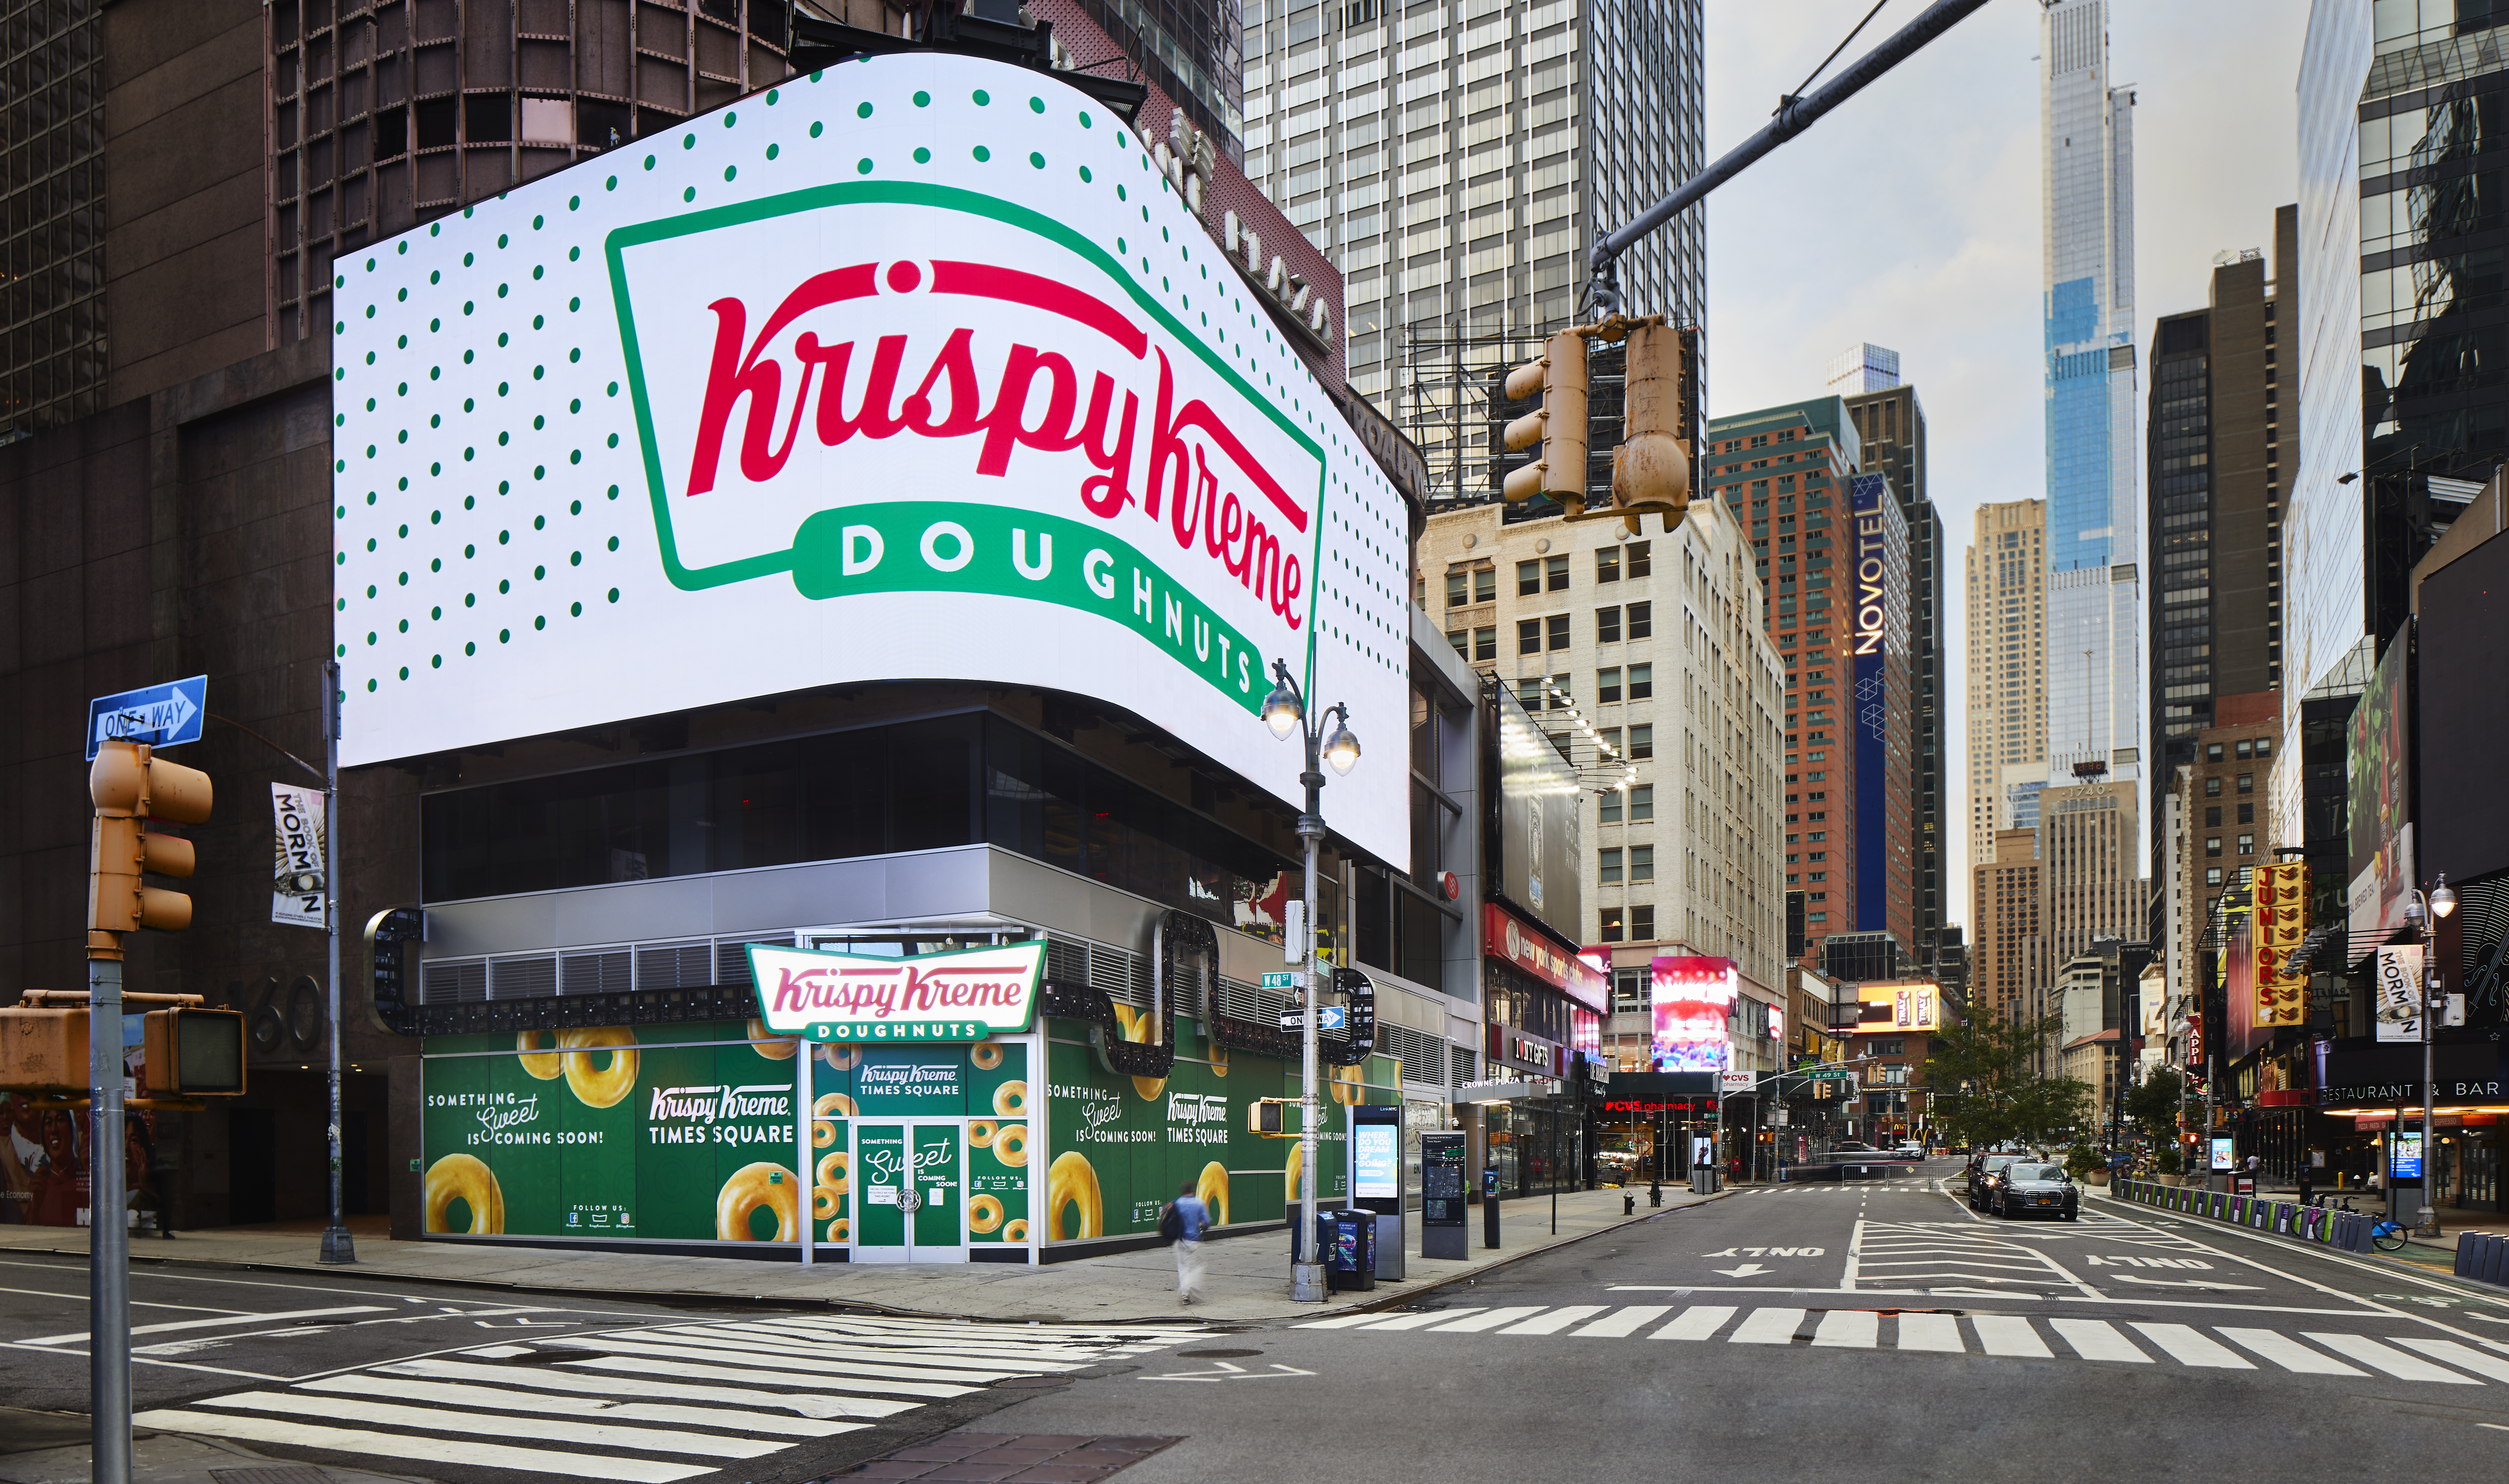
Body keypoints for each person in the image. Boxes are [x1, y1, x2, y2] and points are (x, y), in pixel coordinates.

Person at [1169, 1179, 1211, 1306]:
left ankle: (1185, 1296)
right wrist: (1202, 1227)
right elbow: (1206, 1223)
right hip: (1194, 1240)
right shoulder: (1199, 1204)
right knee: (1198, 1266)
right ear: (1192, 1191)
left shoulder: (1176, 1203)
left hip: (1179, 1241)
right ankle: (1190, 1285)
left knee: (1183, 1268)